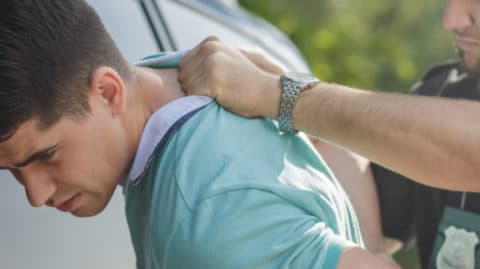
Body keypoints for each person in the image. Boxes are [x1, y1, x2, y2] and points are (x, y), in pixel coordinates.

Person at [0, 1, 399, 268]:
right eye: (12, 171)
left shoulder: (207, 217)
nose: (35, 195)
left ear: (108, 91)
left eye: (45, 155)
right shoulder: (190, 71)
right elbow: (328, 143)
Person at [178, 0, 480, 267]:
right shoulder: (444, 89)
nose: (453, 19)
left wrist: (282, 96)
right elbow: (360, 201)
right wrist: (302, 111)